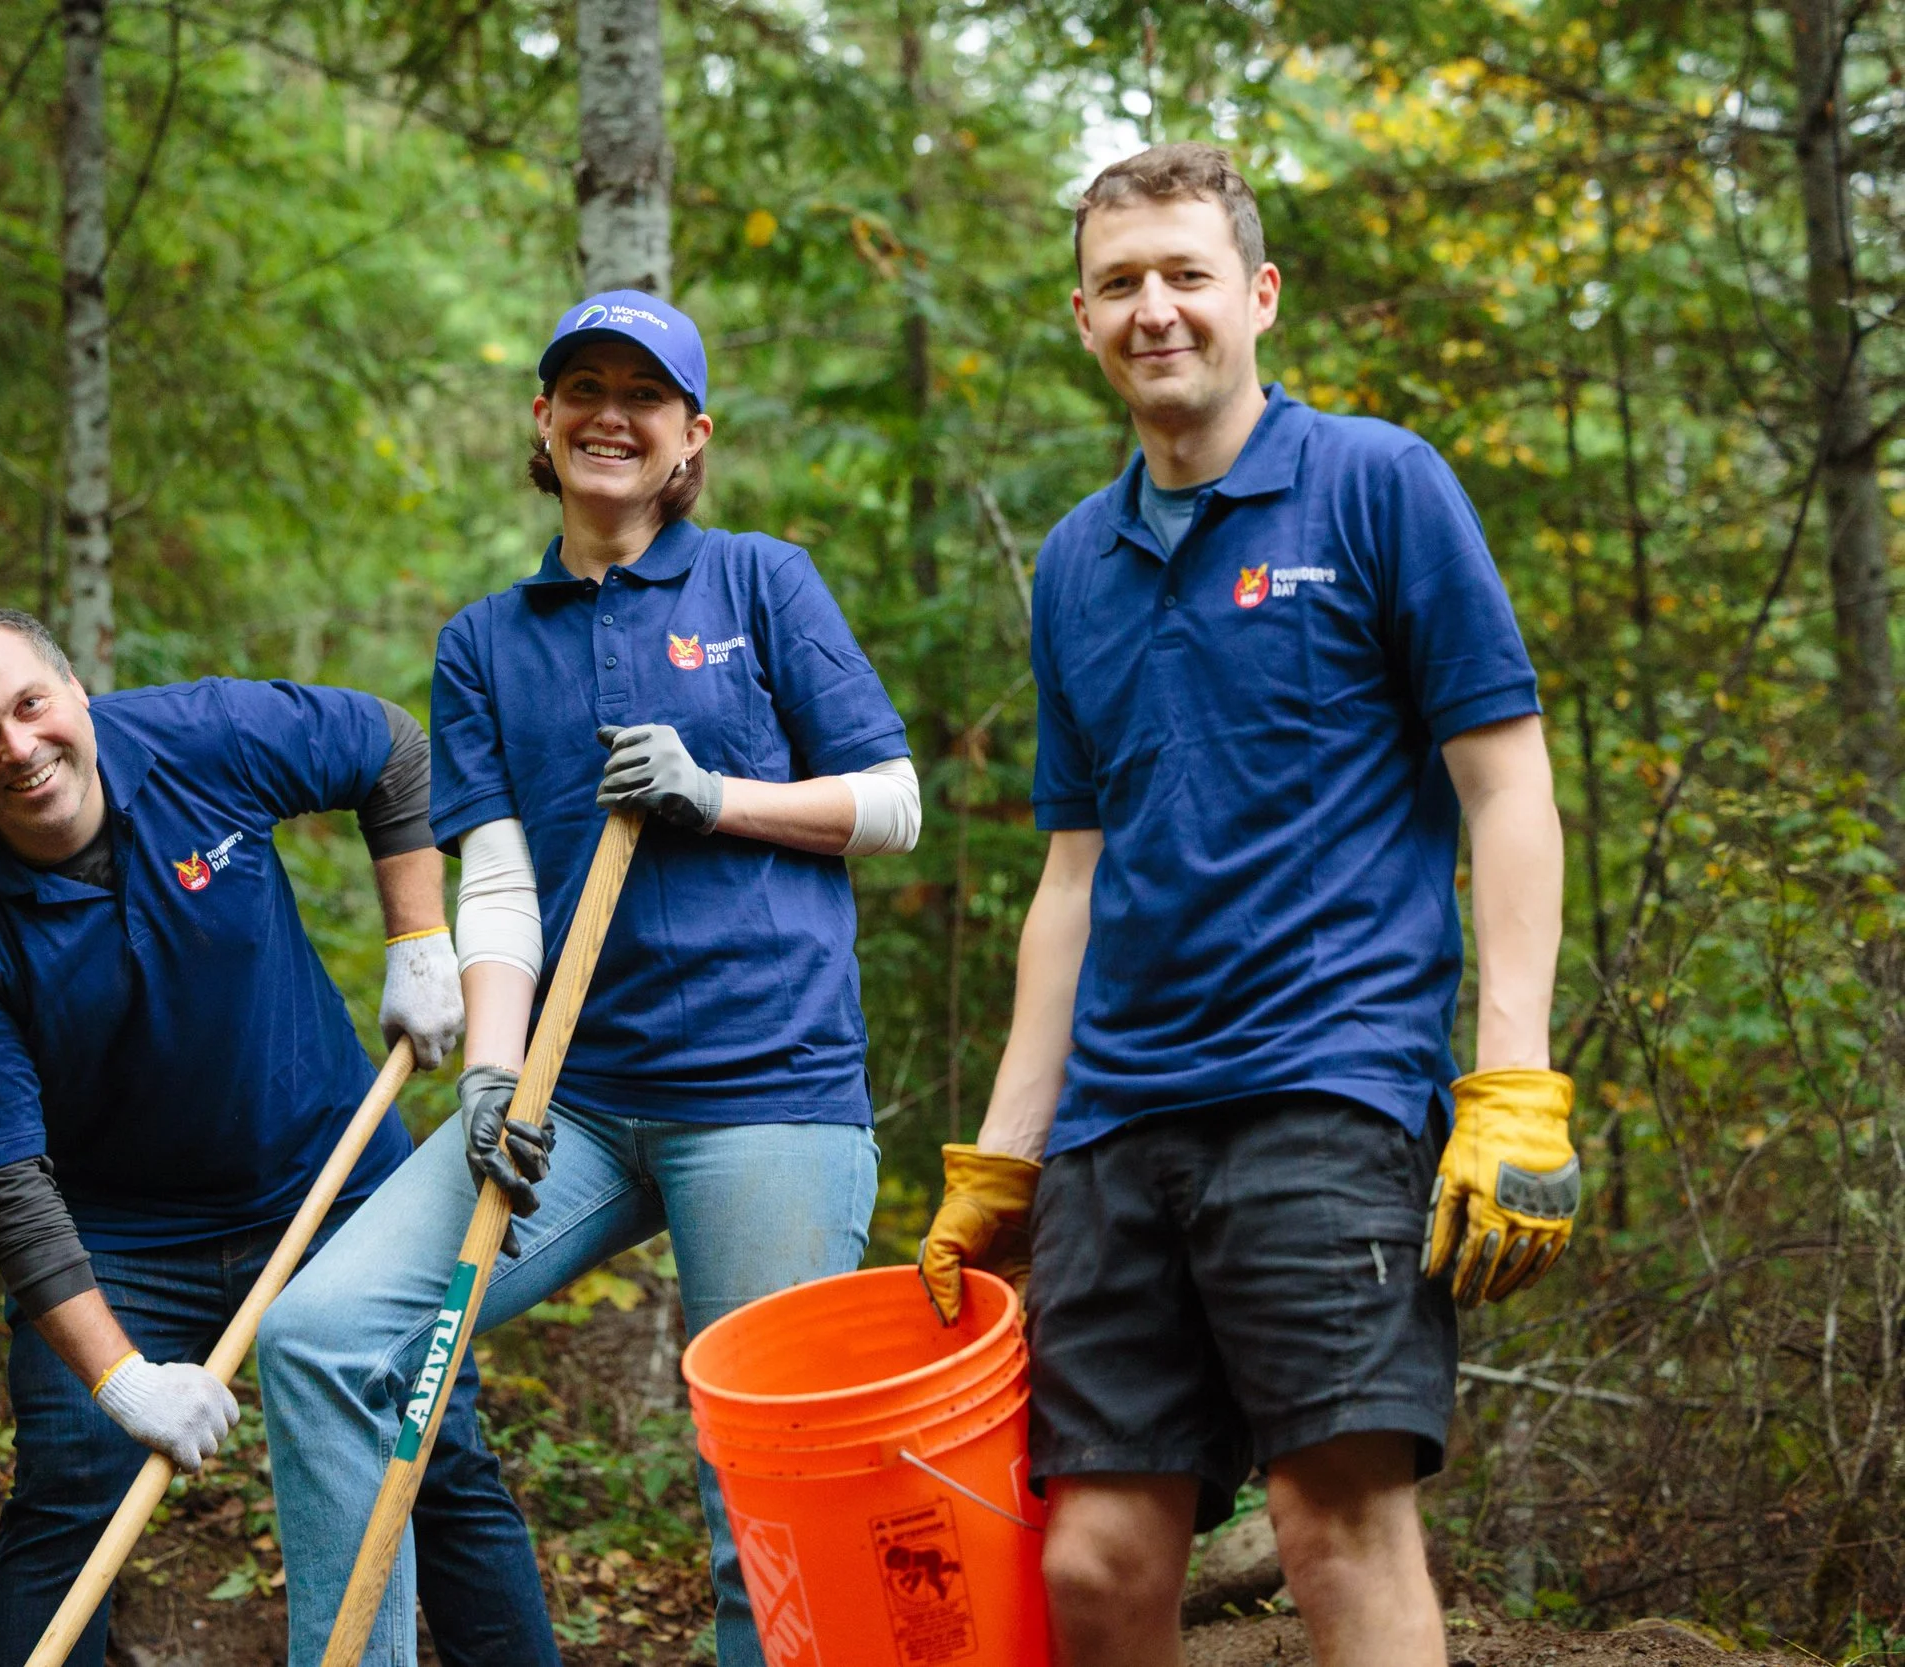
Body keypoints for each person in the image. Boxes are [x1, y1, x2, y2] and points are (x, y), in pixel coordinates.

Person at [916, 144, 1572, 1667]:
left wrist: (1517, 1077)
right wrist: (1006, 1156)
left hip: (1327, 1089)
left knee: (1336, 1520)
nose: (1157, 309)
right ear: (1083, 316)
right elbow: (1072, 876)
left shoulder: (1377, 485)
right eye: (1121, 282)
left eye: (1187, 274)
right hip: (1114, 1124)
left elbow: (1507, 784)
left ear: (1257, 296)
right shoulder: (1076, 562)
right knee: (1093, 1554)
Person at [258, 290, 920, 1667]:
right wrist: (496, 1068)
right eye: (583, 389)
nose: (610, 413)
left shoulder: (761, 582)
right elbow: (497, 882)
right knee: (325, 1334)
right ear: (543, 422)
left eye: (645, 393)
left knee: (764, 1480)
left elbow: (894, 802)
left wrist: (716, 792)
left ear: (690, 437)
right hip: (577, 1092)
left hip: (768, 1093)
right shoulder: (486, 641)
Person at [0, 605, 559, 1667]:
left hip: (330, 1181)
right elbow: (4, 1183)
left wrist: (420, 935)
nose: (18, 747)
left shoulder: (203, 738)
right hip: (118, 1233)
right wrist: (121, 1381)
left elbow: (391, 748)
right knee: (68, 1489)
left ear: (74, 689)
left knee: (434, 1452)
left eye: (29, 704)